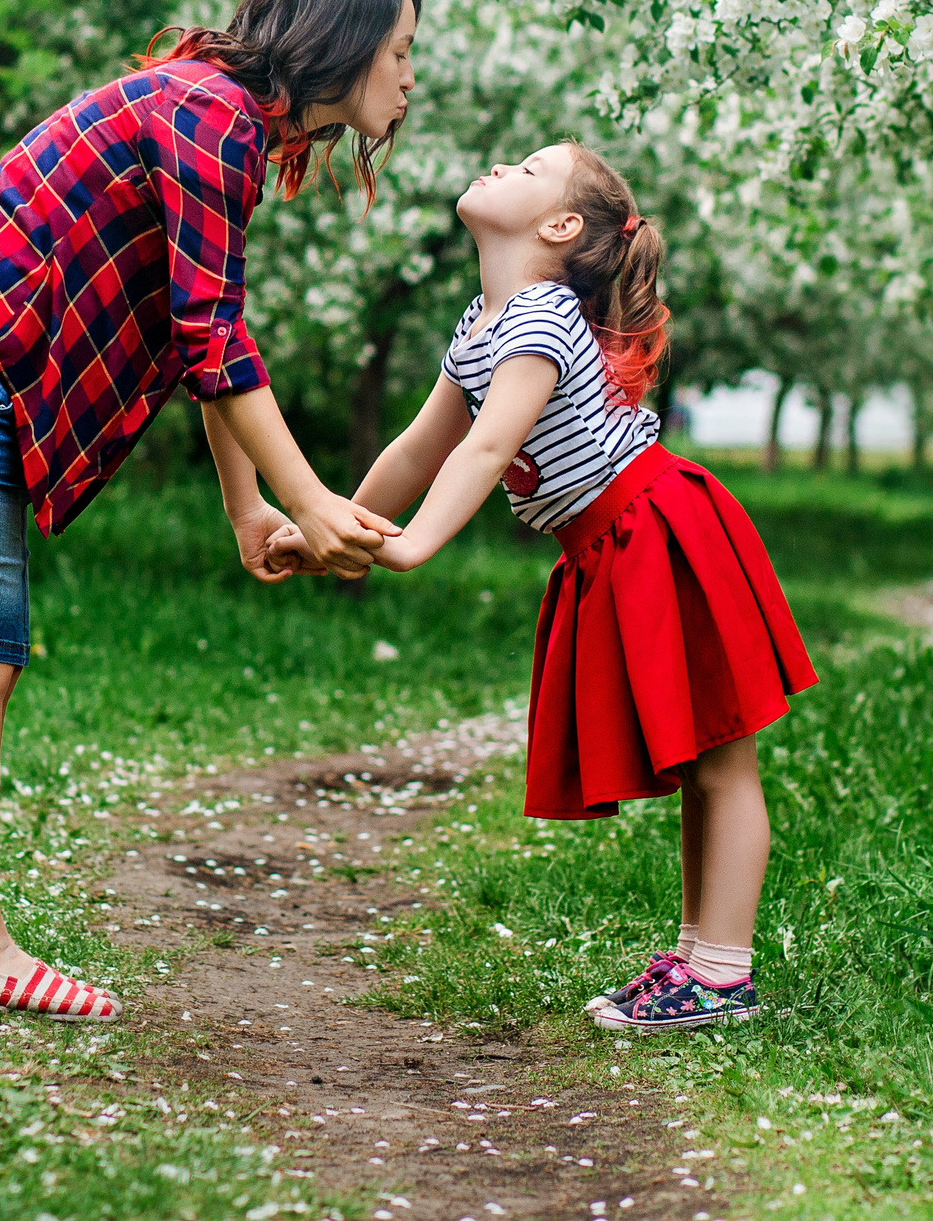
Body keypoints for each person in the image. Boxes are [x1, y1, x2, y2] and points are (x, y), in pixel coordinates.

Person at [0, 0, 419, 1021]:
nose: (411, 77)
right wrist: (310, 501)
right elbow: (213, 335)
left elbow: (205, 330)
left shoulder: (221, 117)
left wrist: (248, 506)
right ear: (346, 36)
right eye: (402, 50)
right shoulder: (213, 117)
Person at [268, 141, 816, 1031]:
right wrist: (328, 525)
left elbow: (486, 448)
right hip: (611, 543)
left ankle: (723, 973)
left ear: (560, 226)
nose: (498, 167)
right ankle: (696, 959)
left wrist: (410, 545)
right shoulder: (482, 322)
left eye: (526, 168)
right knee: (701, 759)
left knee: (722, 756)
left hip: (658, 530)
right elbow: (419, 447)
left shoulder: (543, 315)